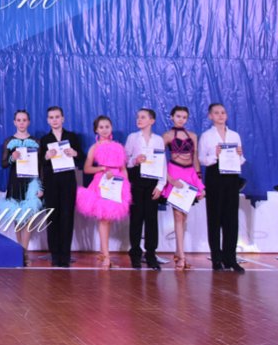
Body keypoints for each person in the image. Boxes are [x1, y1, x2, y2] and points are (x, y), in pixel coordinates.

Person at [76, 115, 131, 269]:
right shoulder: (94, 147)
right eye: (101, 127)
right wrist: (102, 169)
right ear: (96, 130)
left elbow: (123, 169)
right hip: (102, 183)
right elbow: (87, 169)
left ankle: (103, 253)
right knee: (104, 218)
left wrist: (125, 185)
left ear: (111, 128)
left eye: (107, 126)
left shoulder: (118, 147)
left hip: (117, 184)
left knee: (109, 218)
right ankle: (106, 256)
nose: (105, 130)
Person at [198, 102, 246, 272]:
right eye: (216, 113)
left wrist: (239, 155)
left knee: (231, 219)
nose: (220, 115)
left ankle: (230, 259)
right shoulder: (206, 136)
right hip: (215, 175)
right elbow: (202, 159)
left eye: (223, 112)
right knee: (215, 218)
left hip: (232, 176)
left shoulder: (234, 135)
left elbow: (240, 160)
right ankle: (216, 259)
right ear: (210, 116)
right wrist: (215, 155)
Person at [37, 106, 84, 268]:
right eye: (51, 117)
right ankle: (55, 255)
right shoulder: (44, 139)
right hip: (51, 182)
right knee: (52, 217)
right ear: (47, 120)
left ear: (63, 118)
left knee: (67, 217)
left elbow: (81, 157)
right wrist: (46, 156)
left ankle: (65, 255)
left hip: (68, 182)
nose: (54, 120)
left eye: (57, 117)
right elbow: (39, 163)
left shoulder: (72, 137)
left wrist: (75, 153)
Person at [162, 105, 204, 270]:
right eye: (178, 116)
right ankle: (182, 256)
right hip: (175, 173)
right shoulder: (167, 136)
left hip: (190, 175)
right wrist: (169, 179)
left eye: (184, 117)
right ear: (172, 117)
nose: (181, 119)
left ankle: (179, 252)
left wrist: (199, 181)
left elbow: (195, 158)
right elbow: (158, 159)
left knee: (184, 216)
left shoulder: (192, 136)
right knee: (178, 216)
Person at [123, 108, 166, 270]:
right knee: (136, 218)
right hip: (137, 180)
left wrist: (160, 185)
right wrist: (135, 160)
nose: (139, 120)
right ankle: (135, 253)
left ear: (152, 121)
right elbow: (125, 160)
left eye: (143, 117)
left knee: (151, 219)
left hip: (152, 181)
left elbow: (162, 163)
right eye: (138, 117)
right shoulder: (132, 138)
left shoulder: (158, 140)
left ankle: (151, 254)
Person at [0, 110, 43, 261]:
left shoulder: (36, 142)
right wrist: (12, 158)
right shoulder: (9, 141)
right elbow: (3, 164)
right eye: (19, 120)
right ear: (14, 122)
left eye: (24, 120)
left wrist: (40, 187)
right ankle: (19, 250)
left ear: (28, 122)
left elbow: (40, 166)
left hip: (31, 183)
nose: (21, 123)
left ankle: (25, 251)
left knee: (29, 217)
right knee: (17, 217)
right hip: (15, 181)